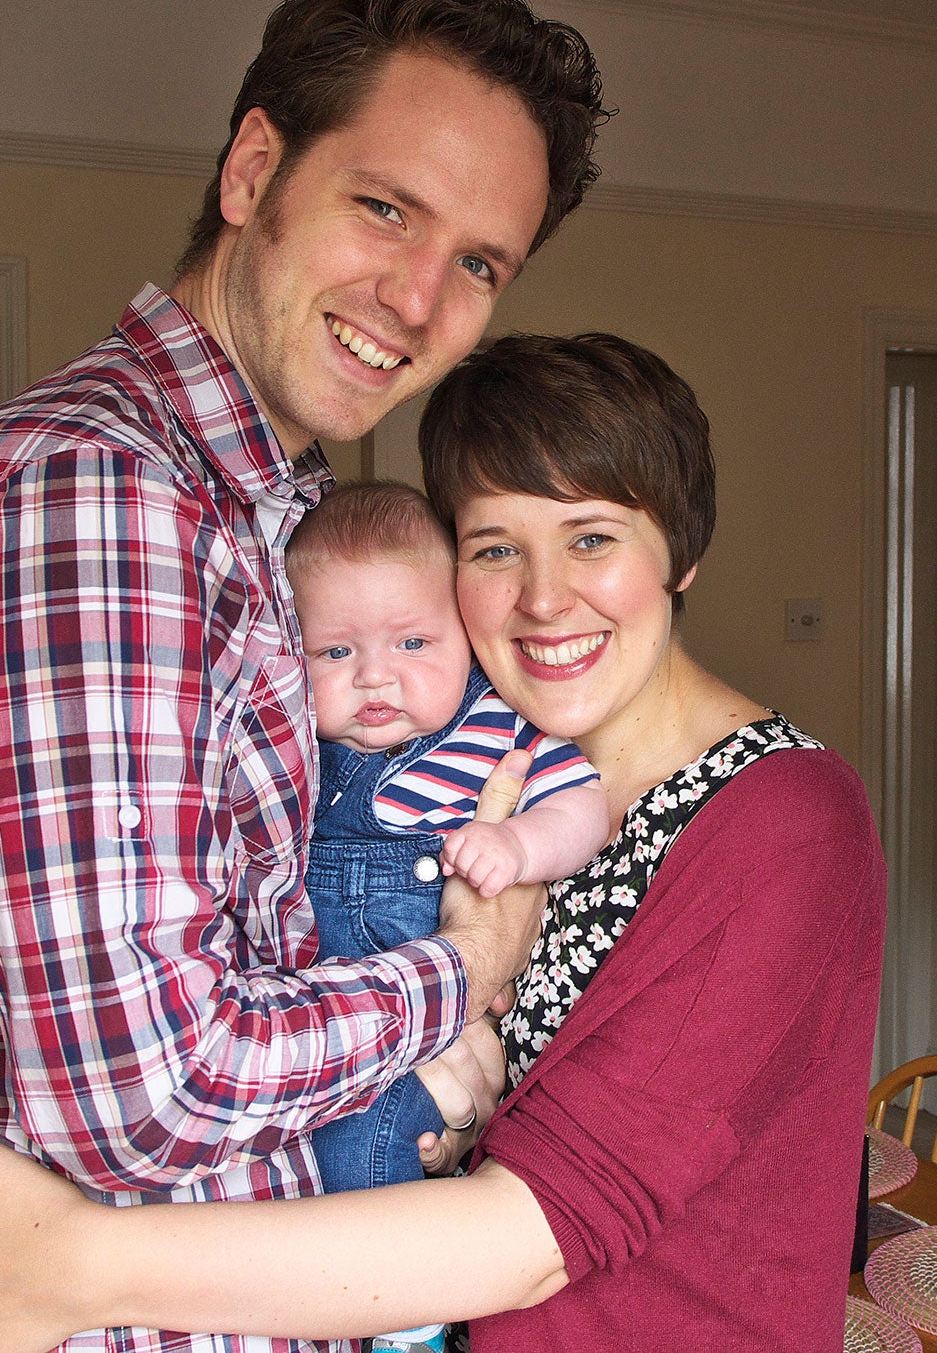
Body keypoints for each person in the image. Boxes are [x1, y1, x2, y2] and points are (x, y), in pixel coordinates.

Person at [0, 332, 889, 1353]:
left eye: (591, 537)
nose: (539, 597)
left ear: (683, 553)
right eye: (494, 546)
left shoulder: (782, 823)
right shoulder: (432, 764)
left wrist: (72, 1269)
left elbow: (532, 1232)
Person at [0, 0, 607, 1351]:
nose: (418, 300)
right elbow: (147, 1095)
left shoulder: (275, 515)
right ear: (256, 169)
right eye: (386, 208)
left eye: (482, 263)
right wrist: (462, 967)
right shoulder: (100, 496)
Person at [286, 481, 612, 1352]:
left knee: (369, 1153)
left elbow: (585, 809)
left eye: (414, 642)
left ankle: (407, 1323)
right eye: (334, 652)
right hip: (319, 1035)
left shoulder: (499, 731)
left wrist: (520, 847)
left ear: (466, 635)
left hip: (422, 1047)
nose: (375, 677)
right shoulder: (293, 754)